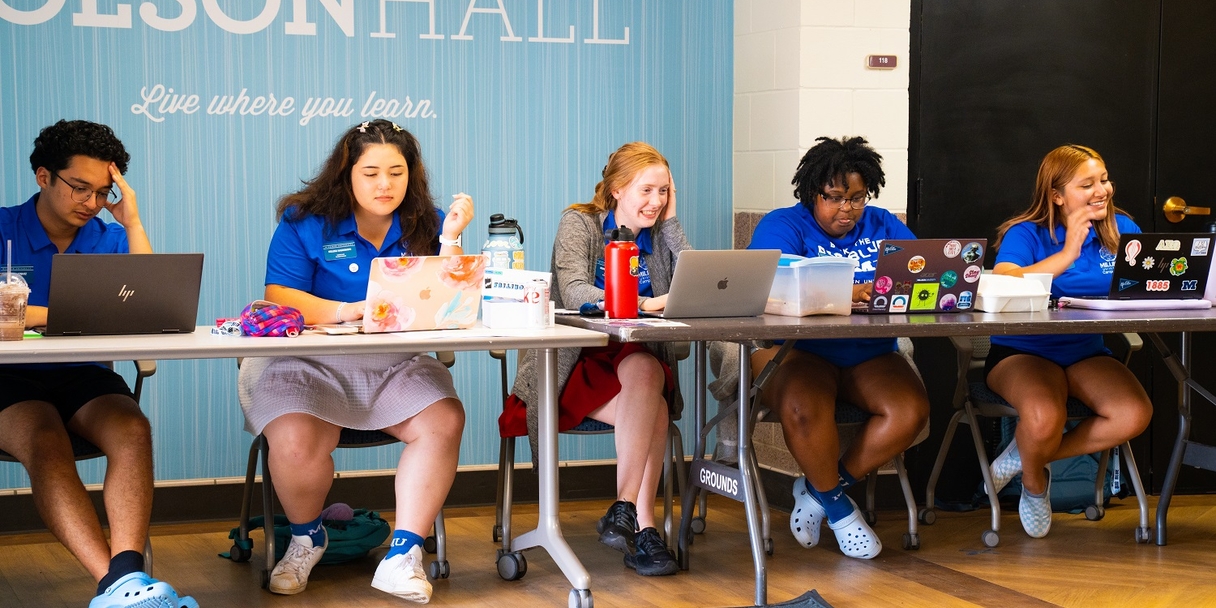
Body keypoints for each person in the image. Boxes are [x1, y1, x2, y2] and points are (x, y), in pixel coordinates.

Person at [237, 119, 471, 602]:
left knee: (444, 419)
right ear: (346, 174)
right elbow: (278, 295)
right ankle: (306, 538)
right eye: (370, 173)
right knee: (294, 437)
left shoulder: (426, 218)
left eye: (396, 172)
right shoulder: (304, 219)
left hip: (395, 364)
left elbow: (449, 299)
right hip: (310, 361)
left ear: (412, 175)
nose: (385, 185)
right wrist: (348, 311)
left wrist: (451, 238)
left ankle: (403, 553)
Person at [0, 120, 197, 607]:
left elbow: (152, 307)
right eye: (79, 188)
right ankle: (114, 585)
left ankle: (126, 577)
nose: (91, 203)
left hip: (83, 371)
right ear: (43, 177)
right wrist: (78, 314)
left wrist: (132, 221)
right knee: (46, 439)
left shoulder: (108, 238)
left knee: (133, 428)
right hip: (7, 377)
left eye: (102, 192)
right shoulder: (3, 227)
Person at [501, 142, 688, 576]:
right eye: (646, 190)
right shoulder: (580, 223)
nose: (656, 201)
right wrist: (643, 304)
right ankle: (644, 529)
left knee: (645, 371)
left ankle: (625, 510)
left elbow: (687, 287)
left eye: (664, 192)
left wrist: (673, 223)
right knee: (654, 407)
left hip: (633, 356)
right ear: (616, 189)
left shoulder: (660, 231)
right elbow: (575, 290)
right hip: (573, 361)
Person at [746, 136, 929, 560]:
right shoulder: (783, 225)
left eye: (857, 199)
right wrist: (856, 290)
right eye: (834, 198)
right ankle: (842, 513)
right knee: (802, 407)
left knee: (911, 411)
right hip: (800, 352)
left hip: (870, 353)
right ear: (813, 193)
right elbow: (772, 285)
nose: (846, 209)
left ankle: (820, 490)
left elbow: (921, 270)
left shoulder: (883, 225)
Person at [987, 144, 1152, 538]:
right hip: (1022, 352)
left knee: (1133, 413)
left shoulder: (1123, 229)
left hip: (1086, 351)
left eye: (1105, 180)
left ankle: (1028, 459)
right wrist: (1067, 252)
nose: (1102, 190)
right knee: (1045, 417)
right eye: (1087, 184)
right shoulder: (1024, 232)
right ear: (1057, 195)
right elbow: (1002, 280)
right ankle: (1034, 485)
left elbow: (1146, 284)